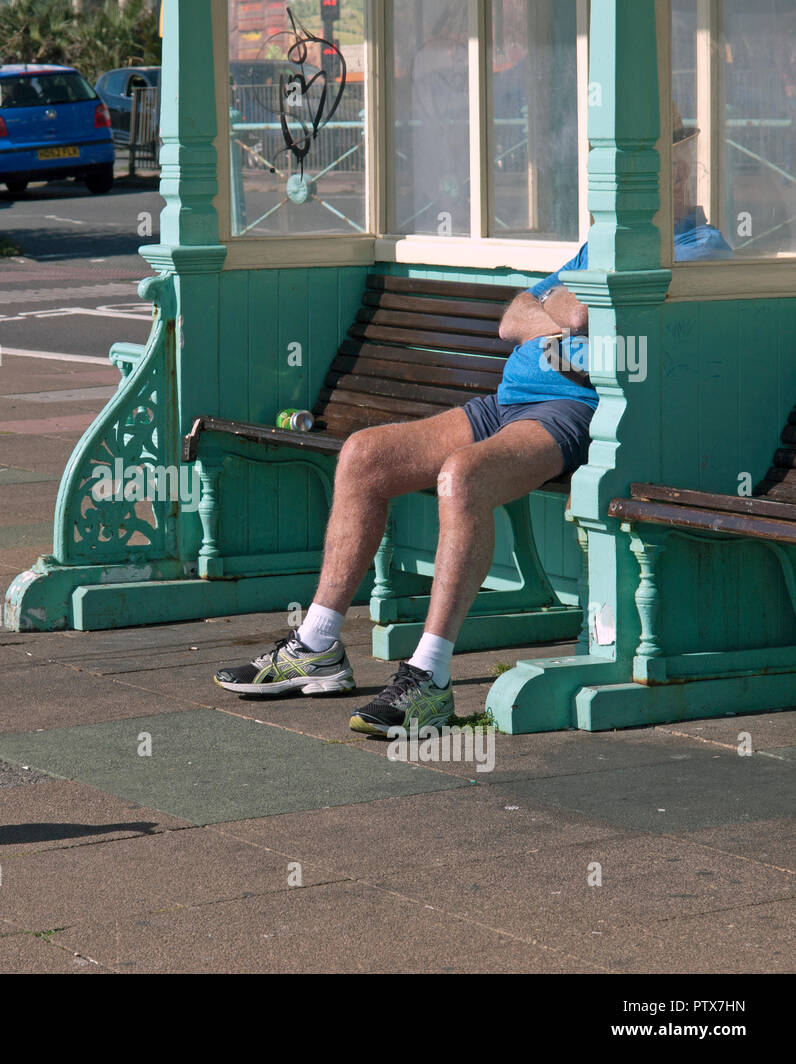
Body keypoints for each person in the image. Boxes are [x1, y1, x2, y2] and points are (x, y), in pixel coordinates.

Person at [213, 106, 732, 735]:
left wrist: (561, 321)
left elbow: (593, 330)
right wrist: (558, 324)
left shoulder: (696, 251)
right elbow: (516, 316)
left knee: (462, 477)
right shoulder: (606, 241)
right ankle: (319, 642)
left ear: (678, 175)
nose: (625, 188)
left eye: (651, 170)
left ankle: (428, 676)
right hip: (505, 403)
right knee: (364, 455)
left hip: (575, 413)